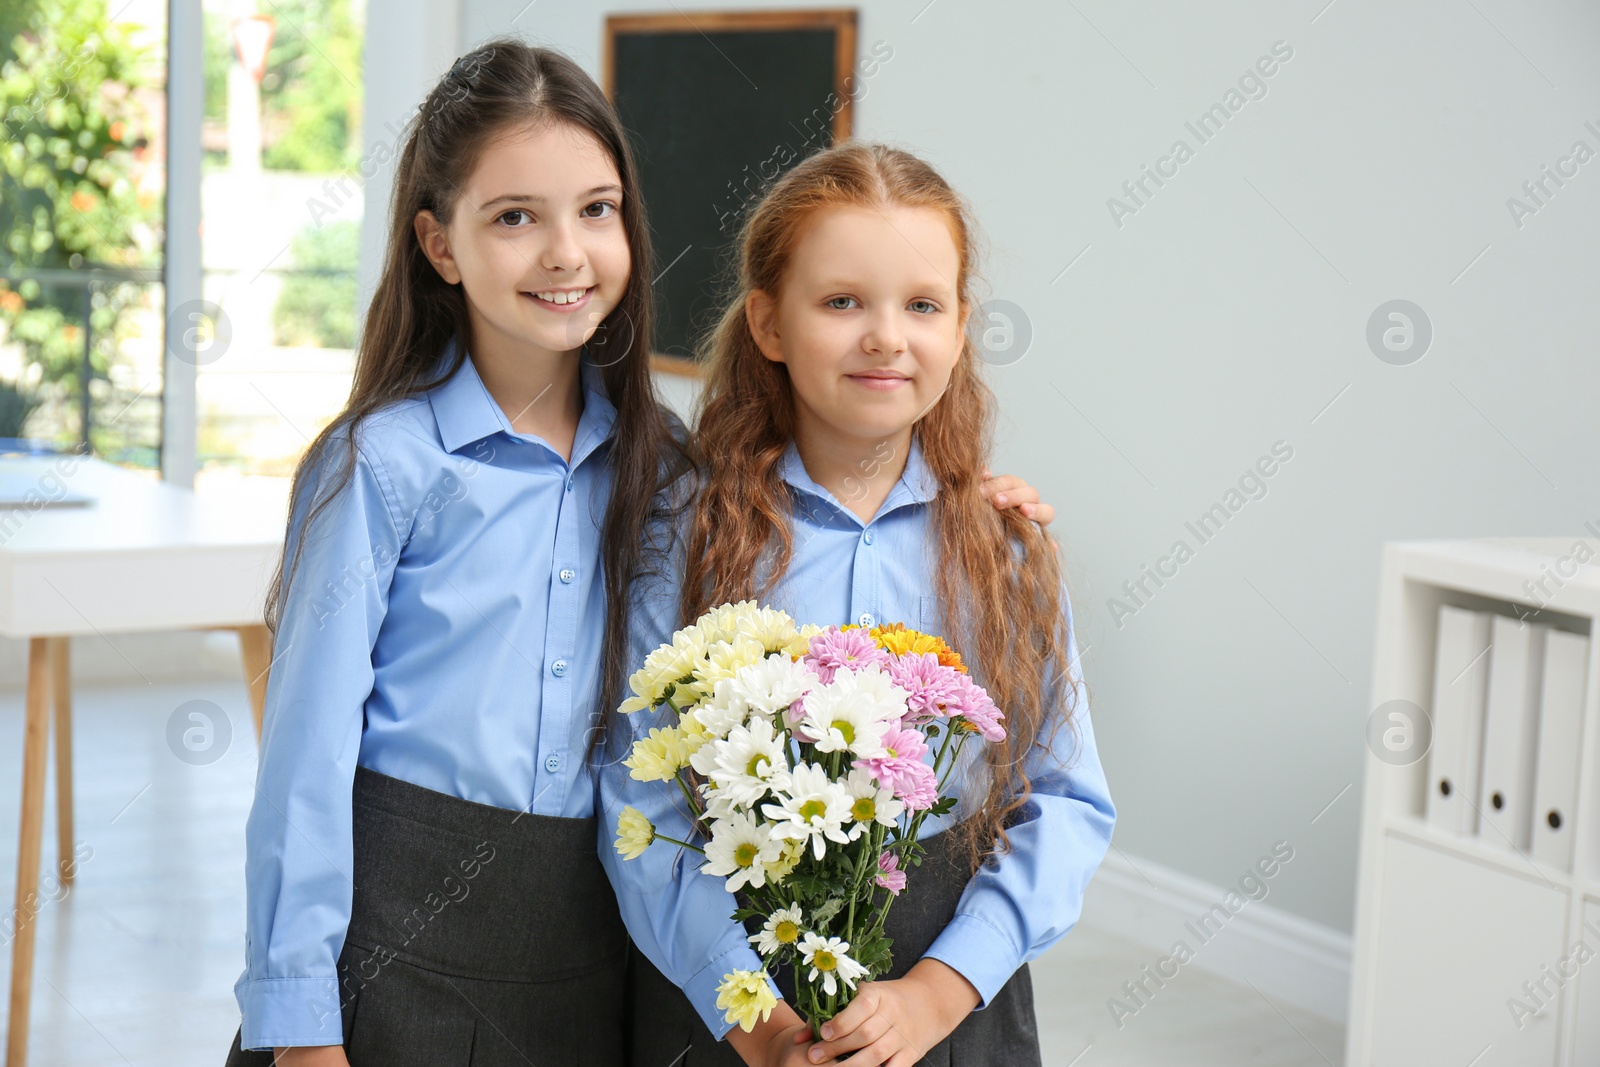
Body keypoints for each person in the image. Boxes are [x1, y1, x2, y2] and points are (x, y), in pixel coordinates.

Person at [224, 39, 1053, 1066]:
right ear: (440, 245)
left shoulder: (669, 472)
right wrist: (302, 1030)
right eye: (514, 216)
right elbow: (303, 764)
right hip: (400, 943)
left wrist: (972, 501)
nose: (566, 252)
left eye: (597, 209)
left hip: (588, 953)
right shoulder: (381, 466)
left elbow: (834, 492)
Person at [604, 141, 1116, 1067]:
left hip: (947, 985)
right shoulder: (685, 530)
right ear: (768, 322)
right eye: (842, 302)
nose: (886, 335)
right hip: (726, 981)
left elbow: (1068, 798)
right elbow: (640, 794)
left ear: (961, 327)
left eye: (922, 305)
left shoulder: (1005, 548)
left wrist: (937, 992)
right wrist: (753, 1019)